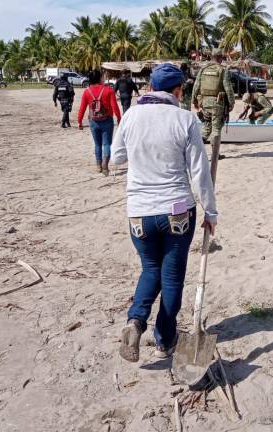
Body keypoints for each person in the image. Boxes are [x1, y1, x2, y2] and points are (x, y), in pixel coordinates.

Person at [111, 64, 218, 362]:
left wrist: (142, 152)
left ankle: (135, 321)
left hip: (139, 214)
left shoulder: (131, 115)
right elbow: (199, 173)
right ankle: (165, 340)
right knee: (171, 278)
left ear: (149, 88)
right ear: (178, 90)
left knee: (150, 269)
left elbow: (117, 157)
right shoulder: (184, 119)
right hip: (177, 211)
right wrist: (211, 211)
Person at [78, 70, 122, 175]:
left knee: (97, 144)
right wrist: (119, 118)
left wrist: (79, 121)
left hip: (93, 121)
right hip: (107, 119)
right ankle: (105, 165)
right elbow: (114, 106)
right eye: (102, 77)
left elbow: (82, 108)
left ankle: (98, 165)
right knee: (107, 143)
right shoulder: (109, 90)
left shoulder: (87, 91)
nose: (103, 78)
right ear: (99, 78)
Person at [192, 48, 235, 148]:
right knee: (216, 129)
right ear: (220, 57)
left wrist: (194, 101)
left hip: (204, 102)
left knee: (206, 126)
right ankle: (215, 156)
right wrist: (232, 103)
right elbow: (228, 88)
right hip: (217, 103)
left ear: (212, 56)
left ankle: (196, 149)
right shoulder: (222, 70)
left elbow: (196, 86)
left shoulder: (203, 69)